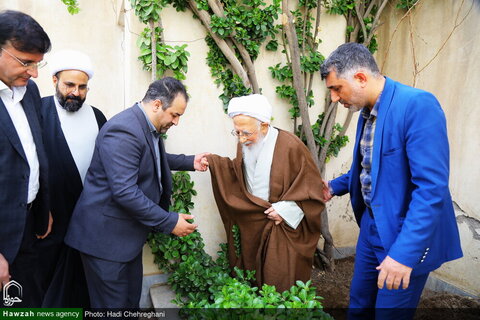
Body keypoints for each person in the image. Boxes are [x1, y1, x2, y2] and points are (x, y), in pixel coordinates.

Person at [320, 42, 463, 318]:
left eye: (336, 88)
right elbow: (373, 166)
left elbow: (431, 190)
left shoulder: (417, 105)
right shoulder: (367, 111)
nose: (334, 98)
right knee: (359, 306)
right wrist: (334, 187)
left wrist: (403, 256)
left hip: (403, 233)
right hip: (372, 227)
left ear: (361, 78)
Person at [65, 77, 209, 308]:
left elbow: (149, 158)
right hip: (105, 242)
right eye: (174, 114)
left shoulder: (146, 126)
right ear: (156, 105)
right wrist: (170, 221)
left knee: (130, 304)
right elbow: (125, 191)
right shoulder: (124, 130)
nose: (177, 121)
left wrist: (190, 161)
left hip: (124, 239)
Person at [206, 94, 324, 293]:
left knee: (279, 278)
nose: (242, 139)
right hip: (254, 223)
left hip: (282, 225)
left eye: (246, 133)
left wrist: (285, 210)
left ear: (264, 126)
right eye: (237, 133)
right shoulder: (246, 142)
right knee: (253, 277)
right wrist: (214, 163)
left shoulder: (291, 146)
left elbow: (311, 190)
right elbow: (239, 174)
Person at [38, 50, 107, 307]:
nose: (75, 92)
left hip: (87, 219)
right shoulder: (37, 110)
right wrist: (40, 209)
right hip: (48, 221)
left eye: (82, 87)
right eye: (69, 84)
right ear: (54, 80)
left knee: (81, 287)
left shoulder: (97, 116)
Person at [0, 10, 52, 307]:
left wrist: (43, 205)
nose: (34, 73)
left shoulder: (28, 90)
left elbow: (35, 151)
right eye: (25, 62)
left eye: (37, 63)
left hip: (29, 223)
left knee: (26, 302)